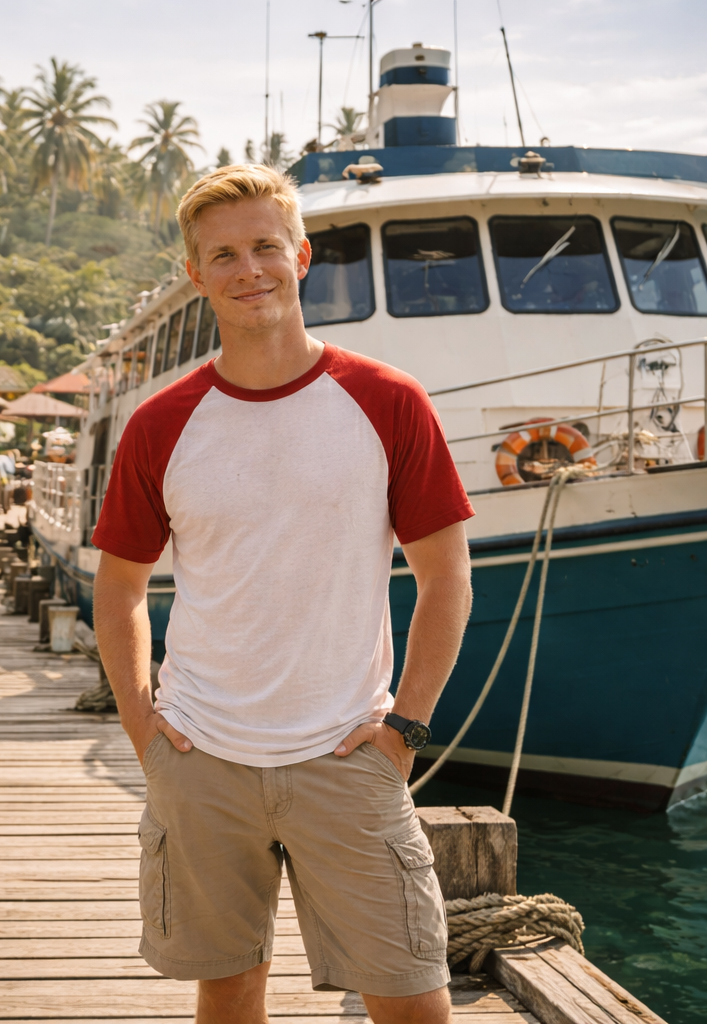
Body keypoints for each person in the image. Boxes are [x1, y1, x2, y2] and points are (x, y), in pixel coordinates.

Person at [92, 165, 474, 1024]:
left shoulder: (389, 402)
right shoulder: (161, 422)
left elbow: (446, 576)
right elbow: (118, 586)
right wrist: (142, 726)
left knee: (413, 998)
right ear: (196, 274)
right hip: (201, 758)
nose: (248, 268)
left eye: (267, 246)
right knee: (227, 991)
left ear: (300, 256)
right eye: (222, 254)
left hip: (349, 752)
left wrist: (404, 728)